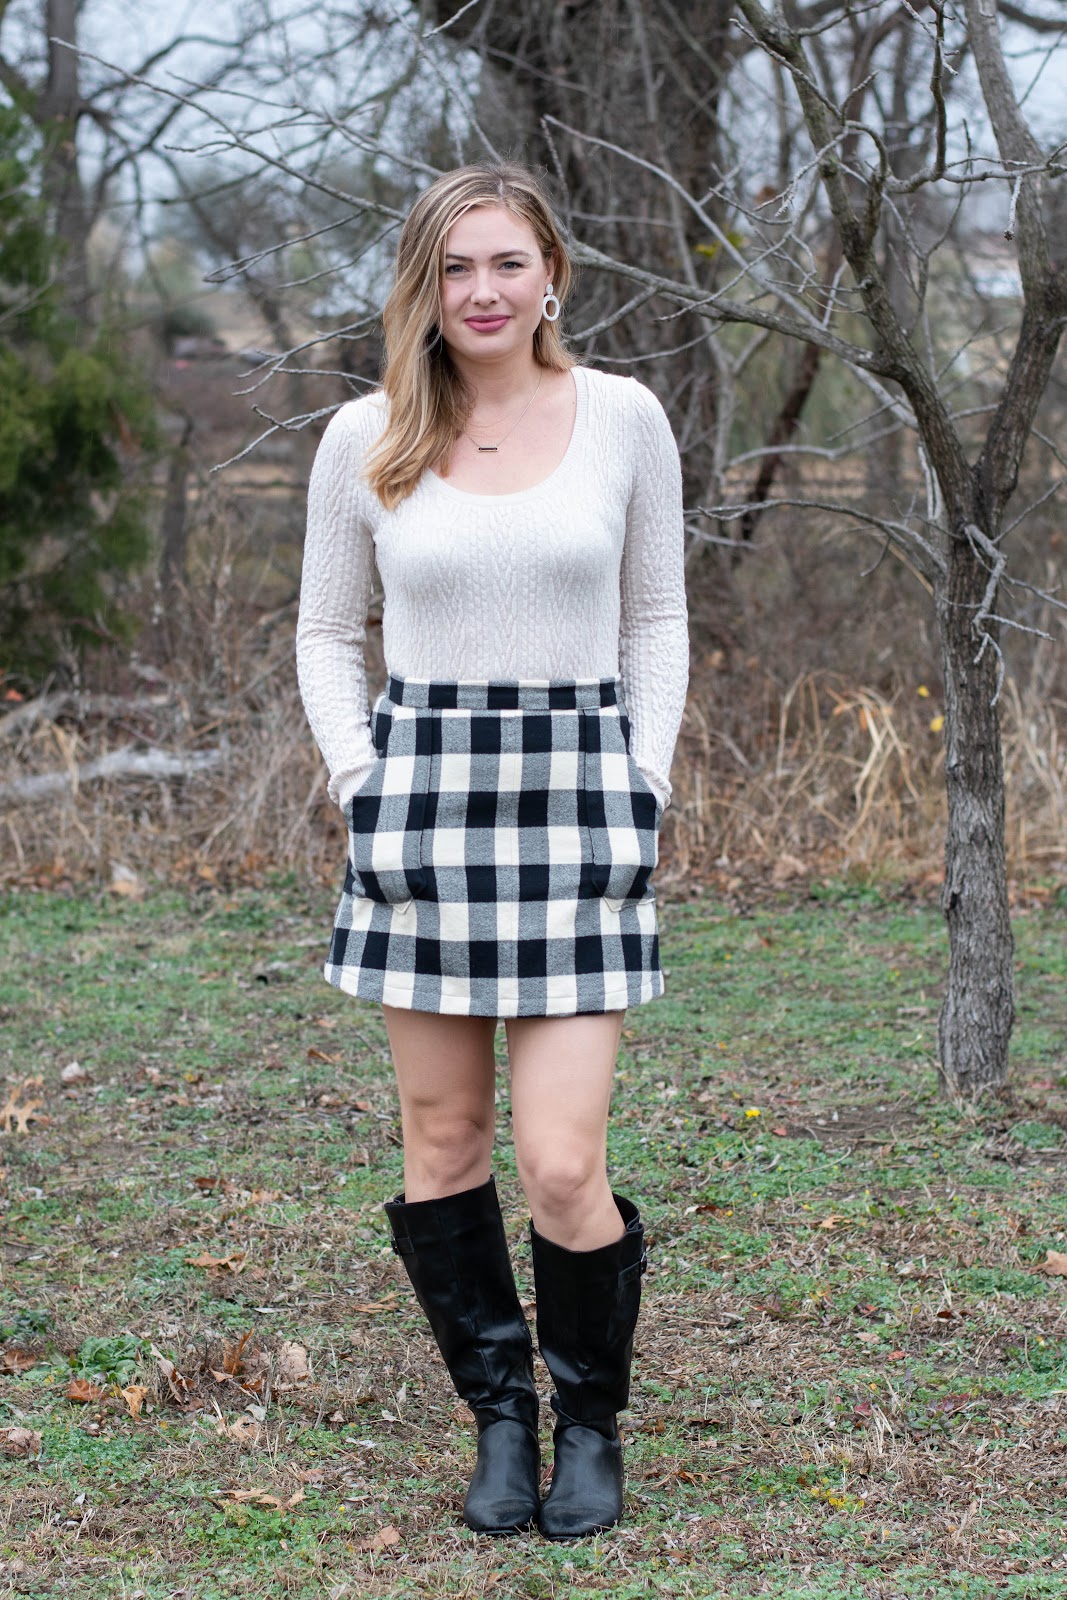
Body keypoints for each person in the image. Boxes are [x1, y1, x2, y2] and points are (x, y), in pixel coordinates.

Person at [296, 162, 688, 1541]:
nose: (482, 291)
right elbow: (324, 631)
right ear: (423, 285)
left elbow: (655, 620)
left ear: (550, 275)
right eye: (454, 267)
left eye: (506, 263)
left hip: (581, 799)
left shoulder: (625, 418)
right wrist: (363, 783)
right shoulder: (367, 435)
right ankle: (500, 1421)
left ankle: (590, 1425)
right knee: (444, 1138)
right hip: (423, 802)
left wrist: (642, 782)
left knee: (563, 1165)